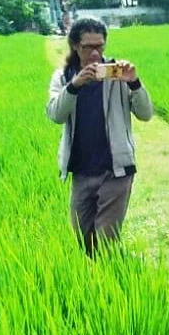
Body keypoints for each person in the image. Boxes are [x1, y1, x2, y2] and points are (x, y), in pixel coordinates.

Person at [46, 17, 154, 258]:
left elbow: (146, 114)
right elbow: (55, 114)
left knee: (106, 240)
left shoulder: (118, 74)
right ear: (75, 46)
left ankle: (110, 282)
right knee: (83, 238)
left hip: (116, 170)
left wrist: (134, 82)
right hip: (82, 171)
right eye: (88, 47)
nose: (95, 53)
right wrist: (74, 85)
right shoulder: (64, 77)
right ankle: (94, 283)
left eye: (100, 46)